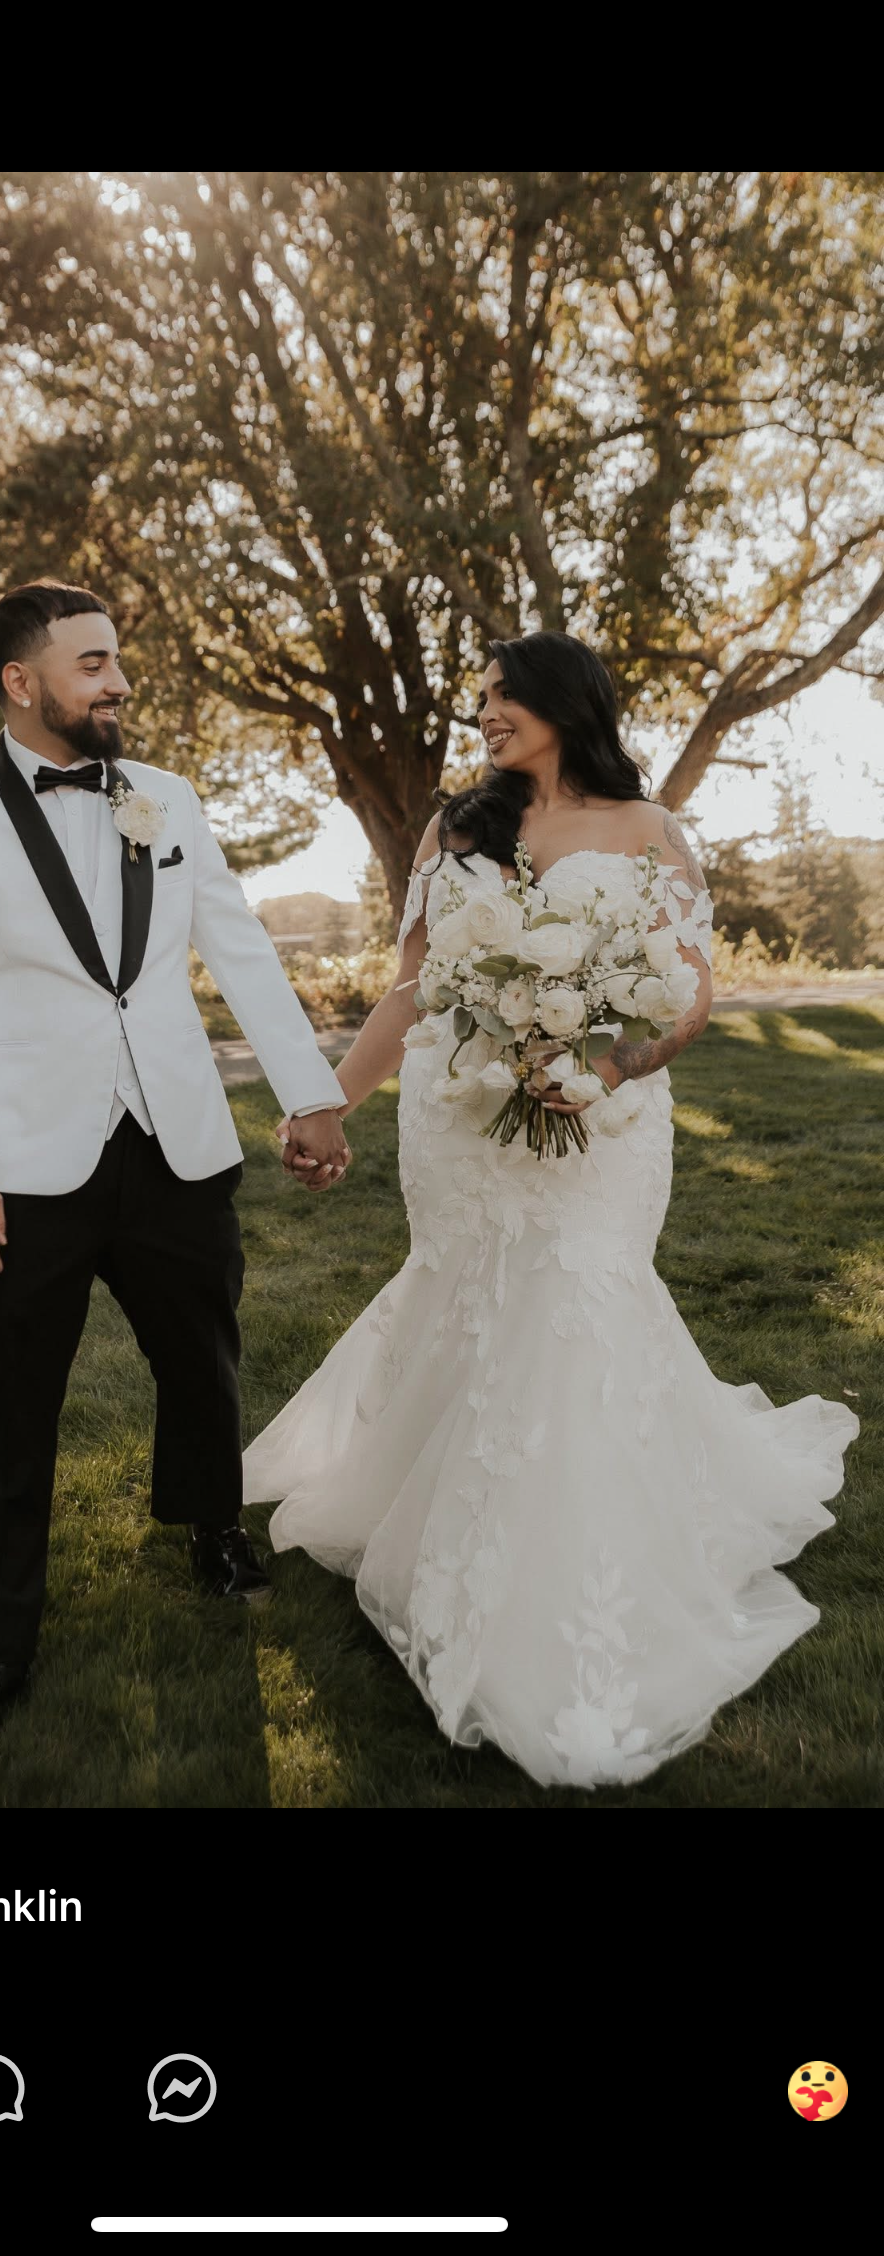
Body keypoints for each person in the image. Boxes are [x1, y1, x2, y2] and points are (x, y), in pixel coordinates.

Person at [251, 632, 859, 1790]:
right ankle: (448, 1525)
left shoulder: (650, 833)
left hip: (603, 1123)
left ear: (566, 704)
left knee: (577, 1295)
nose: (483, 714)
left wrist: (609, 1067)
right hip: (462, 1120)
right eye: (477, 697)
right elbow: (413, 986)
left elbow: (691, 999)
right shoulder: (455, 829)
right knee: (478, 1302)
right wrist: (327, 1104)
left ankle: (566, 1579)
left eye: (502, 695)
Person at [0, 581, 350, 1767]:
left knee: (203, 1354)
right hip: (20, 1167)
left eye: (118, 661)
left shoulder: (167, 799)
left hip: (174, 1141)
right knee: (8, 1415)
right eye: (92, 663)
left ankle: (209, 1528)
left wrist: (310, 1093)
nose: (119, 681)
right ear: (20, 683)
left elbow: (239, 949)